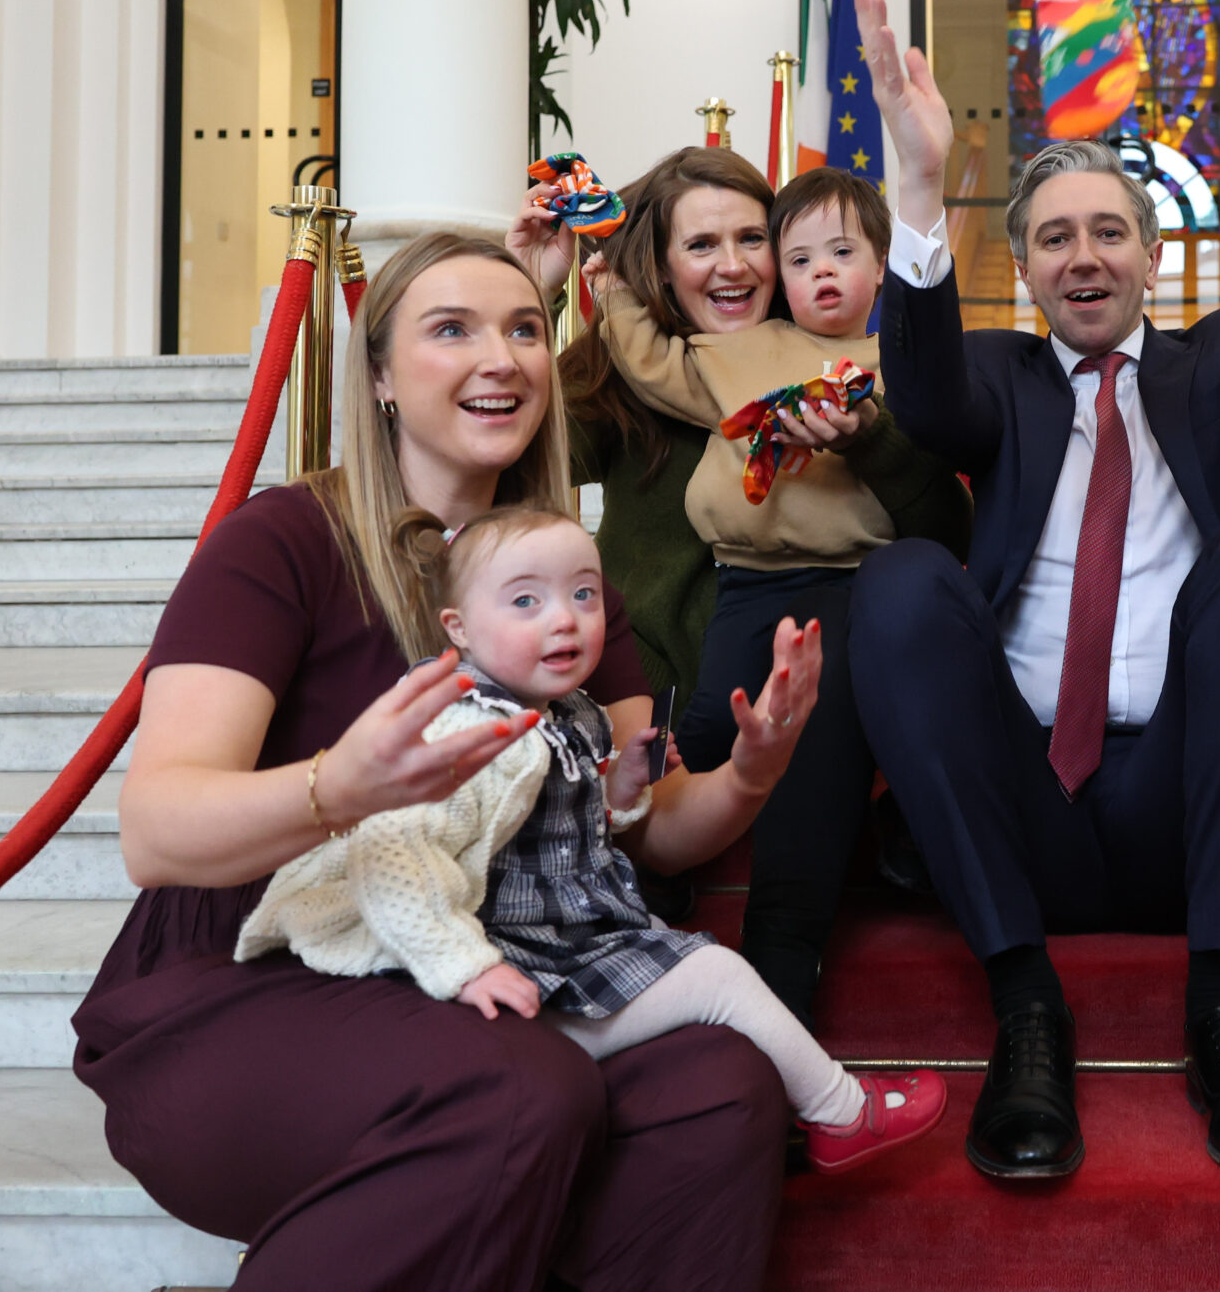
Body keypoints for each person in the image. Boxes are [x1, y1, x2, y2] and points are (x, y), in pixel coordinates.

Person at [76, 232, 811, 1291]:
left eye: (523, 329)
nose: (501, 356)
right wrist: (340, 788)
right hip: (245, 983)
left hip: (485, 978)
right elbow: (155, 832)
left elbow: (640, 826)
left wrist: (751, 770)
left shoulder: (568, 589)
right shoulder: (281, 544)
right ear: (377, 374)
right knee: (522, 1089)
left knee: (721, 1084)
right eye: (450, 329)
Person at [847, 0, 1220, 1182]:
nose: (1084, 258)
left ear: (1149, 252)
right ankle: (1027, 1008)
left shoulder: (1217, 359)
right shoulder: (996, 380)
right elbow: (918, 397)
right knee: (903, 582)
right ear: (1023, 271)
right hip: (1026, 803)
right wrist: (918, 183)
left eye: (1107, 231)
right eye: (1054, 238)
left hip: (1196, 798)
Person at [235, 502, 947, 1172]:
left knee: (692, 974)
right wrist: (465, 967)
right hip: (505, 973)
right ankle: (843, 1115)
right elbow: (393, 856)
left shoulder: (567, 711)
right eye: (525, 602)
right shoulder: (463, 727)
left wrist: (623, 789)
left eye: (583, 595)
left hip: (560, 936)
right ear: (456, 627)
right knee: (717, 975)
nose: (566, 621)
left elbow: (556, 825)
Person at [517, 148, 971, 1026]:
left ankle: (780, 979)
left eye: (754, 239)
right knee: (670, 748)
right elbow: (516, 448)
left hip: (832, 620)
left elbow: (948, 532)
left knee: (812, 739)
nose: (733, 264)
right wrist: (541, 296)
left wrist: (866, 439)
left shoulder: (881, 370)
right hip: (674, 667)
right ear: (660, 261)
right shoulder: (676, 365)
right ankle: (625, 878)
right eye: (702, 245)